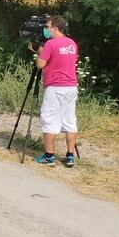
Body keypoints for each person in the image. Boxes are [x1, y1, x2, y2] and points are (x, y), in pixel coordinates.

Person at [34, 15, 80, 167]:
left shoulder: (51, 44)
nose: (46, 30)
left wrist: (39, 52)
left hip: (55, 86)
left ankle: (49, 156)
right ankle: (70, 155)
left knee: (49, 119)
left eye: (47, 27)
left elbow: (40, 64)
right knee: (69, 121)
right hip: (71, 86)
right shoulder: (72, 43)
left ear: (55, 28)